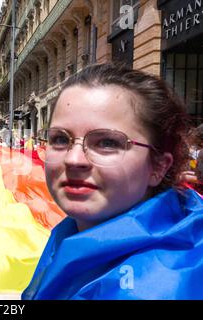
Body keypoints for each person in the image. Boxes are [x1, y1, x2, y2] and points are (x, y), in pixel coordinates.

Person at [23, 63, 203, 300]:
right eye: (59, 139)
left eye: (107, 142)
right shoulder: (86, 228)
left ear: (159, 165)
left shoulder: (152, 289)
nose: (74, 159)